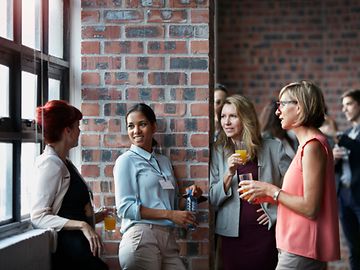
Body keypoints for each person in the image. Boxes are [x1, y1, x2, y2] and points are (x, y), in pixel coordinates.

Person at [240, 80, 340, 269]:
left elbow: (310, 207)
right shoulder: (307, 145)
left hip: (302, 247)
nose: (277, 111)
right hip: (297, 246)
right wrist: (268, 196)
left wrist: (272, 190)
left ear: (299, 107)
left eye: (282, 104)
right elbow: (299, 198)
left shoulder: (312, 146)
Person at [113, 103, 203, 270]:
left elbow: (174, 204)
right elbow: (125, 208)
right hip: (141, 236)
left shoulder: (164, 162)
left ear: (154, 127)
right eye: (131, 126)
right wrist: (170, 214)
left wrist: (191, 196)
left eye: (142, 124)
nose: (136, 131)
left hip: (168, 239)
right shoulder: (126, 161)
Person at [209, 94, 291, 270]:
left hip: (266, 233)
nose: (226, 122)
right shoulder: (218, 151)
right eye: (223, 116)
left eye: (233, 116)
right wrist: (228, 173)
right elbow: (213, 200)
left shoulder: (273, 147)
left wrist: (276, 211)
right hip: (231, 236)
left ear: (246, 118)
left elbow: (295, 187)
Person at [31, 100, 108, 270]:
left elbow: (70, 211)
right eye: (77, 126)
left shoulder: (64, 162)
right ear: (67, 131)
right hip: (70, 252)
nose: (79, 131)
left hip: (80, 249)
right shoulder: (50, 164)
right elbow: (38, 217)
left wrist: (97, 216)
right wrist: (83, 225)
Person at [333, 89, 360, 270]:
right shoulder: (348, 132)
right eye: (343, 106)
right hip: (344, 195)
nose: (345, 109)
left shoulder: (344, 136)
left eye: (349, 104)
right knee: (353, 249)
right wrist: (334, 159)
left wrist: (338, 137)